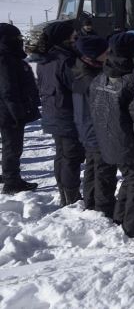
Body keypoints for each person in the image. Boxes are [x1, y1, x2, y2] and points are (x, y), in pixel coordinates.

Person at [90, 32, 134, 237]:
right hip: (128, 143)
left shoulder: (100, 78)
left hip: (109, 140)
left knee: (130, 179)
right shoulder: (130, 80)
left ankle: (120, 216)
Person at [38, 20, 85, 206]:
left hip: (52, 110)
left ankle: (64, 191)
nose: (76, 38)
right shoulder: (66, 60)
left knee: (62, 155)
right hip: (67, 112)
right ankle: (72, 197)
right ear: (64, 38)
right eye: (73, 35)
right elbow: (78, 86)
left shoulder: (46, 58)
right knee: (71, 157)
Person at [72, 35, 110, 213]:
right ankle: (102, 205)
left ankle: (90, 200)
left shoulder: (82, 72)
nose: (109, 54)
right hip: (96, 131)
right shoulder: (92, 79)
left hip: (86, 129)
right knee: (102, 170)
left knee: (92, 166)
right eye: (106, 52)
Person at [0, 23, 40, 194]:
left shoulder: (9, 56)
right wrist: (18, 113)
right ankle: (12, 181)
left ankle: (8, 175)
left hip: (6, 109)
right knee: (12, 147)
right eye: (17, 39)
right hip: (8, 112)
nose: (20, 42)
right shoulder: (5, 59)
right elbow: (8, 89)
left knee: (9, 146)